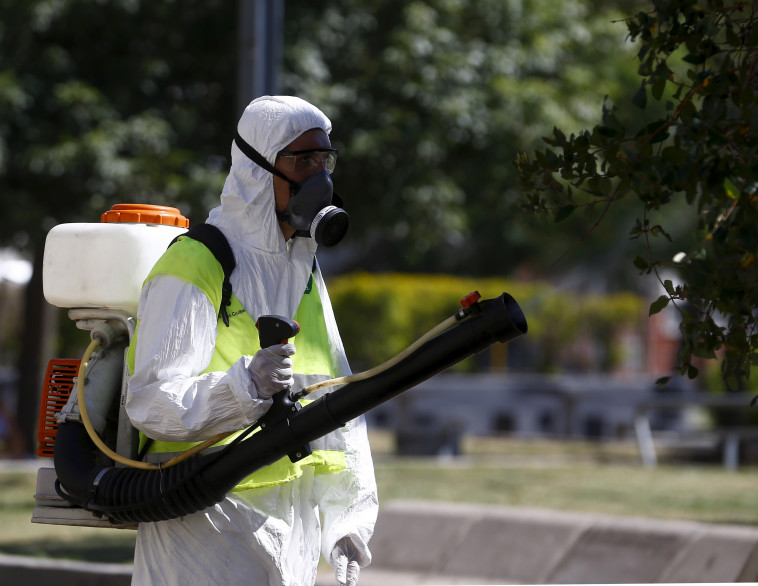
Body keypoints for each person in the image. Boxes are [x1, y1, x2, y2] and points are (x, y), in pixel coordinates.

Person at [125, 95, 378, 586]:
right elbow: (151, 400)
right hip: (202, 524)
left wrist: (349, 520)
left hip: (288, 523)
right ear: (259, 168)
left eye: (324, 160)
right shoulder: (197, 264)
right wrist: (243, 387)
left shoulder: (301, 268)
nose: (319, 177)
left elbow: (337, 397)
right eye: (302, 160)